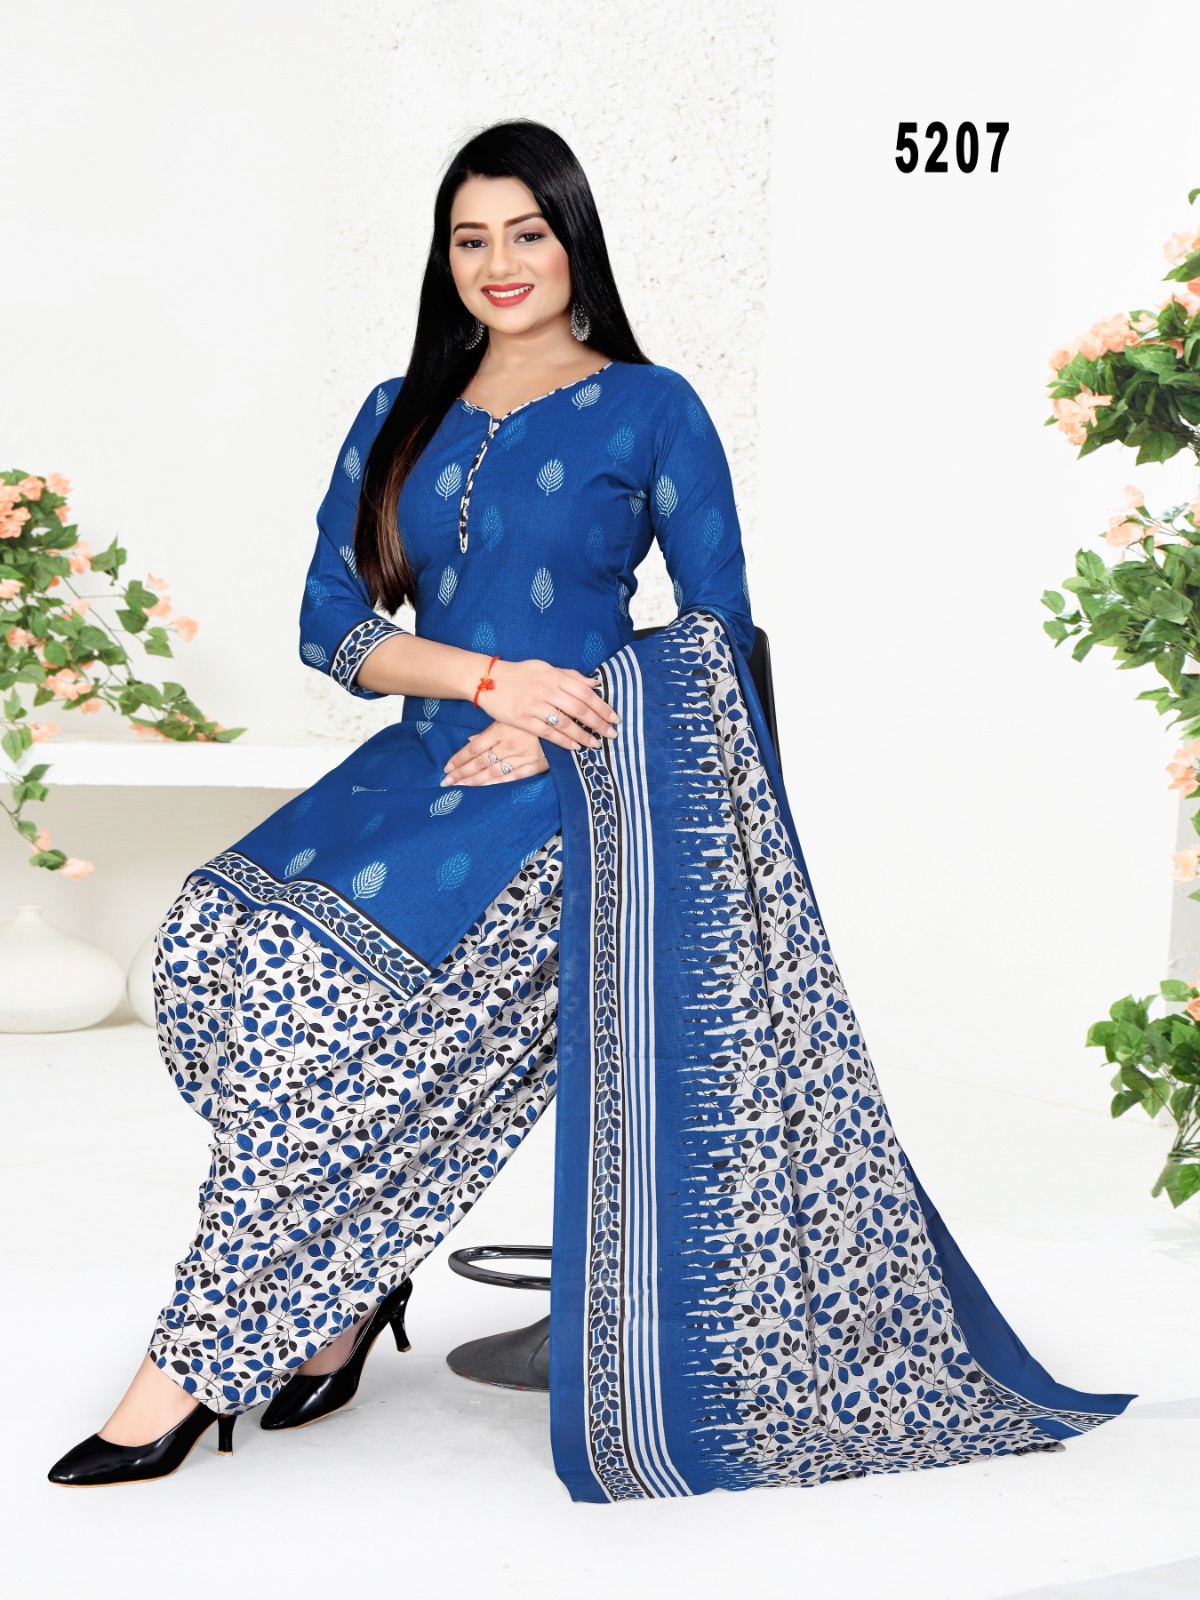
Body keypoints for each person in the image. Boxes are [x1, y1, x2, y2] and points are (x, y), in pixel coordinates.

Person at [48, 119, 1137, 1501]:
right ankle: (339, 1285)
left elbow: (721, 630)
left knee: (344, 1016)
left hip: (579, 782)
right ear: (444, 260)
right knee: (226, 940)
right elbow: (330, 623)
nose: (499, 262)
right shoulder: (398, 411)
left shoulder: (650, 406)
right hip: (422, 762)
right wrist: (484, 681)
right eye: (470, 238)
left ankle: (189, 1367)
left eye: (528, 232)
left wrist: (567, 717)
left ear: (575, 243)